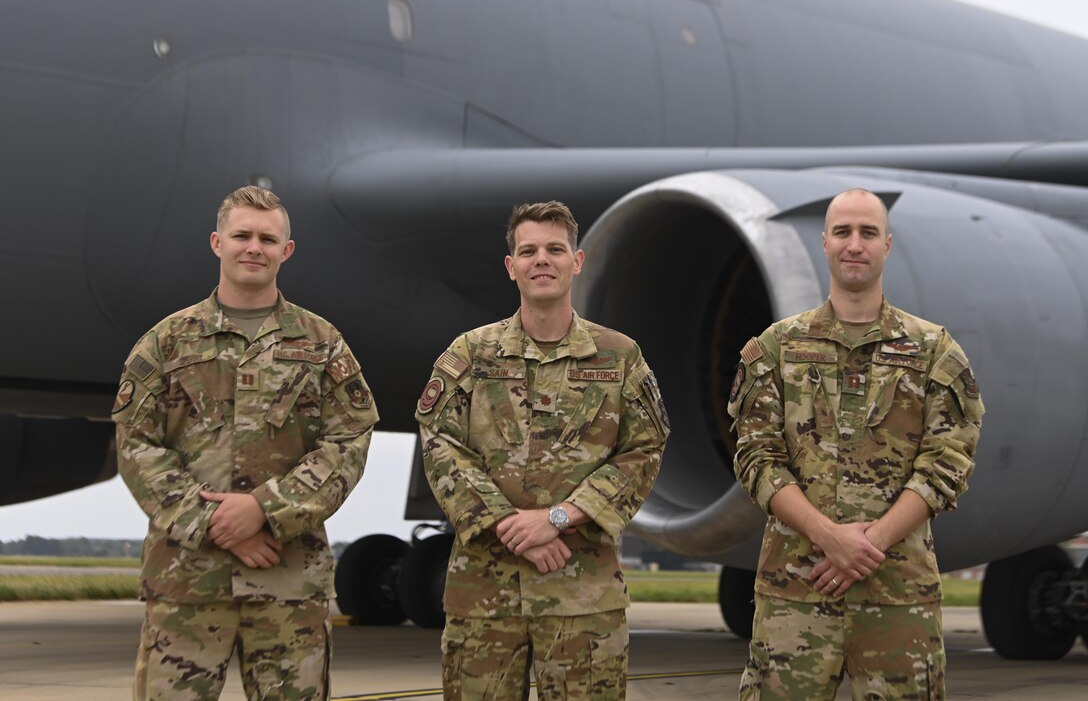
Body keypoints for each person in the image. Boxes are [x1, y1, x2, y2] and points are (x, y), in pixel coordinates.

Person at [112, 186, 378, 700]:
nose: (253, 247)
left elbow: (350, 438)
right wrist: (212, 522)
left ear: (286, 250)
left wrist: (265, 509)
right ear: (217, 243)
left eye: (267, 238)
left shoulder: (322, 344)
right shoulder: (165, 342)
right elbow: (136, 445)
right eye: (241, 236)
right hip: (187, 583)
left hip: (287, 581)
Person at [728, 188, 984, 699]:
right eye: (843, 232)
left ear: (887, 245)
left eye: (868, 233)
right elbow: (756, 457)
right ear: (824, 243)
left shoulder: (934, 350)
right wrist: (829, 535)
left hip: (898, 598)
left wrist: (870, 543)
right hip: (796, 596)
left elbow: (947, 463)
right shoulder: (775, 348)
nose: (854, 244)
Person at [414, 201, 669, 699]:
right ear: (511, 267)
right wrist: (512, 527)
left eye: (555, 249)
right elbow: (439, 443)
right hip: (485, 597)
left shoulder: (619, 356)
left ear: (577, 261)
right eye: (528, 251)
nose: (542, 260)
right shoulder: (470, 353)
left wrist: (557, 518)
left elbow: (645, 449)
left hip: (582, 598)